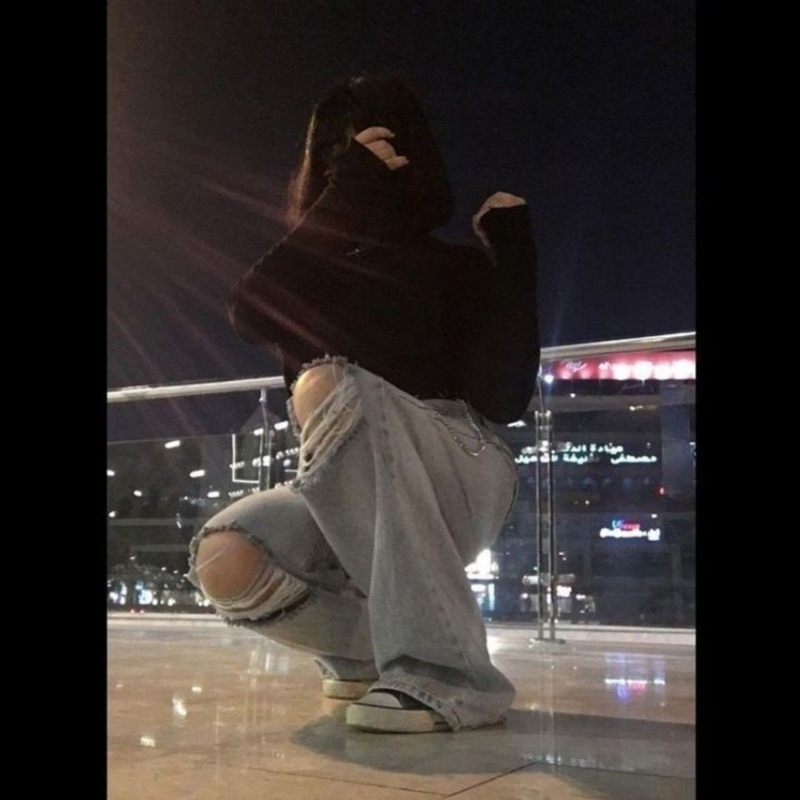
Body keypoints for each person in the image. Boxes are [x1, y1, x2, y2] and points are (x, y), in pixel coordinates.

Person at [183, 72, 540, 733]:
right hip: (344, 487)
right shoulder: (308, 272)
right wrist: (344, 203)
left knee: (327, 384)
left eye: (377, 141)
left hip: (459, 468)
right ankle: (362, 654)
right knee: (229, 557)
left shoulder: (454, 266)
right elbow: (248, 313)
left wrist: (513, 259)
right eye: (338, 149)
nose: (357, 156)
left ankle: (449, 675)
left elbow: (505, 397)